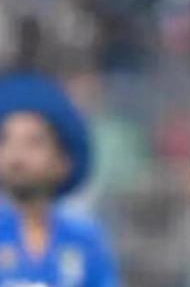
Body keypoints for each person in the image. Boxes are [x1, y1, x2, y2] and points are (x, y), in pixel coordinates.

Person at [0, 72, 120, 287]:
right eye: (6, 140)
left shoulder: (85, 239)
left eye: (34, 143)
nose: (16, 156)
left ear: (63, 162)